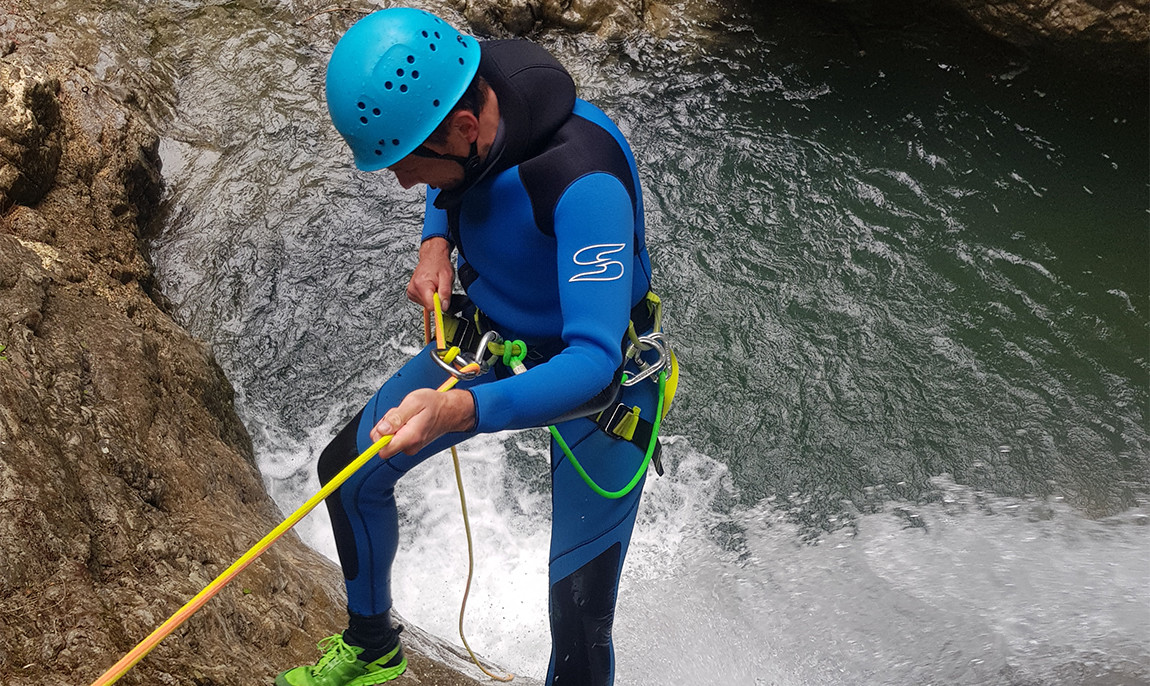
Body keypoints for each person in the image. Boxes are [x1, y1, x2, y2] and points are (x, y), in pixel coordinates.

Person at [276, 7, 675, 686]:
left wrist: (458, 411)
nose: (406, 185)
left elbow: (591, 364)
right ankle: (373, 647)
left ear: (464, 127)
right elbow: (452, 179)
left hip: (598, 386)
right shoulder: (468, 77)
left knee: (579, 615)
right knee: (346, 473)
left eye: (410, 167)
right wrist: (436, 241)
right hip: (491, 342)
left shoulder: (585, 182)